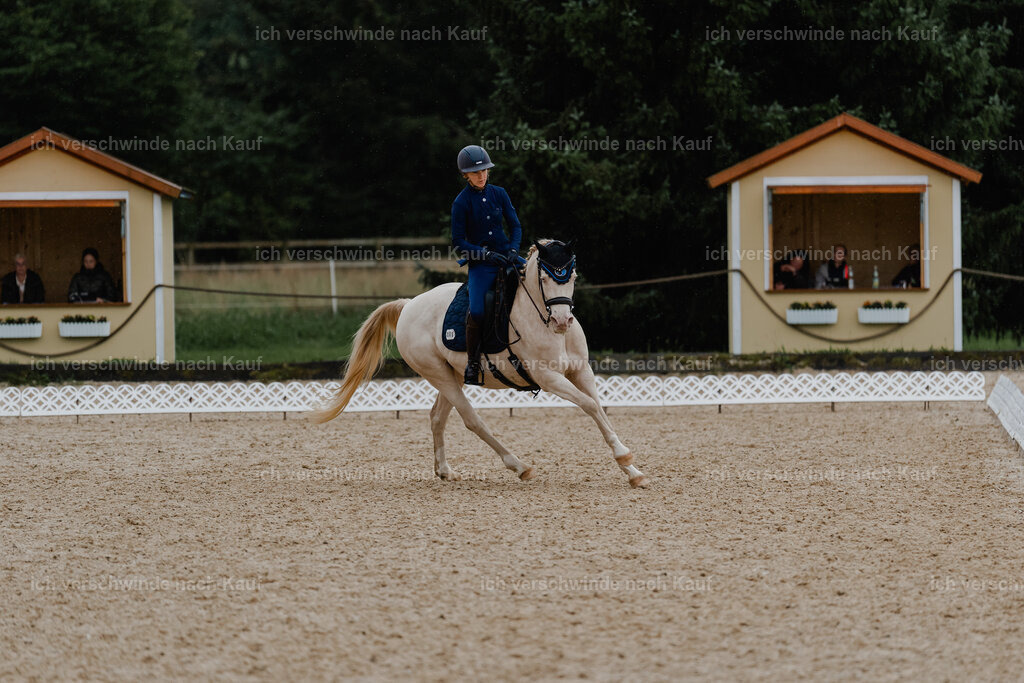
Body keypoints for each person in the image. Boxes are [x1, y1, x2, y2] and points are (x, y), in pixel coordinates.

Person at [450, 144, 523, 385]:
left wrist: (513, 249)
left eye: (485, 171)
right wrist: (484, 254)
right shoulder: (461, 203)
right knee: (478, 311)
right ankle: (472, 364)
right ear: (465, 175)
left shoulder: (499, 193)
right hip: (482, 264)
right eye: (476, 172)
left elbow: (515, 226)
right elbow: (459, 242)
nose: (481, 176)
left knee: (541, 283)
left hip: (507, 256)